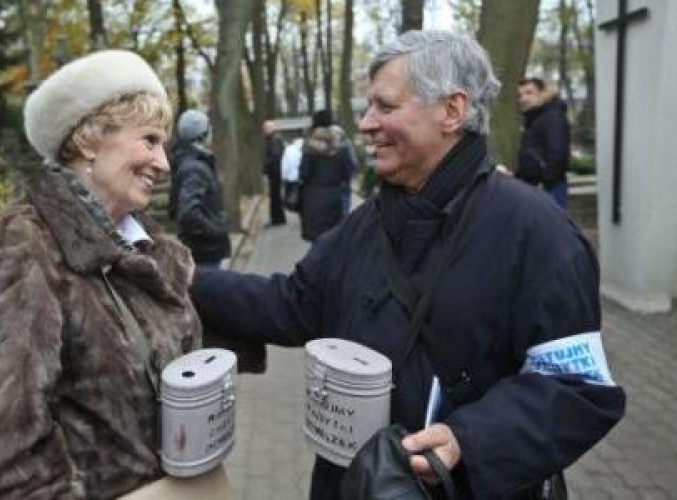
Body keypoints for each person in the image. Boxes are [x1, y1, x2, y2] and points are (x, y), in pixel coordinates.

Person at [190, 30, 625, 499]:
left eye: (386, 106)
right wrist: (188, 279)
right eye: (368, 107)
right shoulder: (365, 224)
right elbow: (292, 304)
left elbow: (578, 390)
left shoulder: (537, 233)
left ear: (451, 111)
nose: (367, 123)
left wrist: (470, 440)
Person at [0, 50, 207, 498]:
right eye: (149, 140)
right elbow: (7, 458)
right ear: (90, 140)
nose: (164, 163)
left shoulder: (147, 248)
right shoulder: (23, 247)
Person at [168, 109, 231, 268]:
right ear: (202, 134)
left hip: (202, 250)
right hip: (205, 251)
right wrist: (216, 230)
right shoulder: (195, 167)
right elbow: (188, 213)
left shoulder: (190, 161)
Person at [298, 109, 354, 242]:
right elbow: (348, 172)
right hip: (335, 195)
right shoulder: (341, 147)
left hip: (313, 197)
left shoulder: (309, 148)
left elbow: (303, 174)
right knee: (334, 239)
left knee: (317, 240)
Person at [516, 77, 571, 208]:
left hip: (548, 187)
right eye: (520, 95)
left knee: (552, 227)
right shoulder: (536, 118)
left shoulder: (552, 117)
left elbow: (558, 152)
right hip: (538, 186)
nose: (523, 99)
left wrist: (545, 180)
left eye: (529, 93)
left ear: (543, 93)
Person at [262, 120, 286, 226]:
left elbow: (275, 156)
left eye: (265, 128)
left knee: (274, 195)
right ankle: (278, 218)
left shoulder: (274, 140)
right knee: (275, 196)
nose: (264, 130)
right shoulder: (274, 139)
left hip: (275, 172)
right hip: (276, 171)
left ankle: (277, 219)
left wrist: (266, 165)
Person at [330, 124, 359, 213]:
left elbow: (352, 161)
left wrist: (350, 174)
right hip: (334, 180)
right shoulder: (330, 145)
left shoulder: (346, 145)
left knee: (345, 200)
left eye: (335, 134)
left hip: (344, 179)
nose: (334, 136)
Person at [281, 136, 305, 212]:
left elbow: (284, 163)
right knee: (296, 191)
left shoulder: (288, 149)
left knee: (289, 191)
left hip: (290, 176)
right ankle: (295, 205)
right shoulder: (303, 151)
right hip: (298, 176)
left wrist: (283, 175)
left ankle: (290, 205)